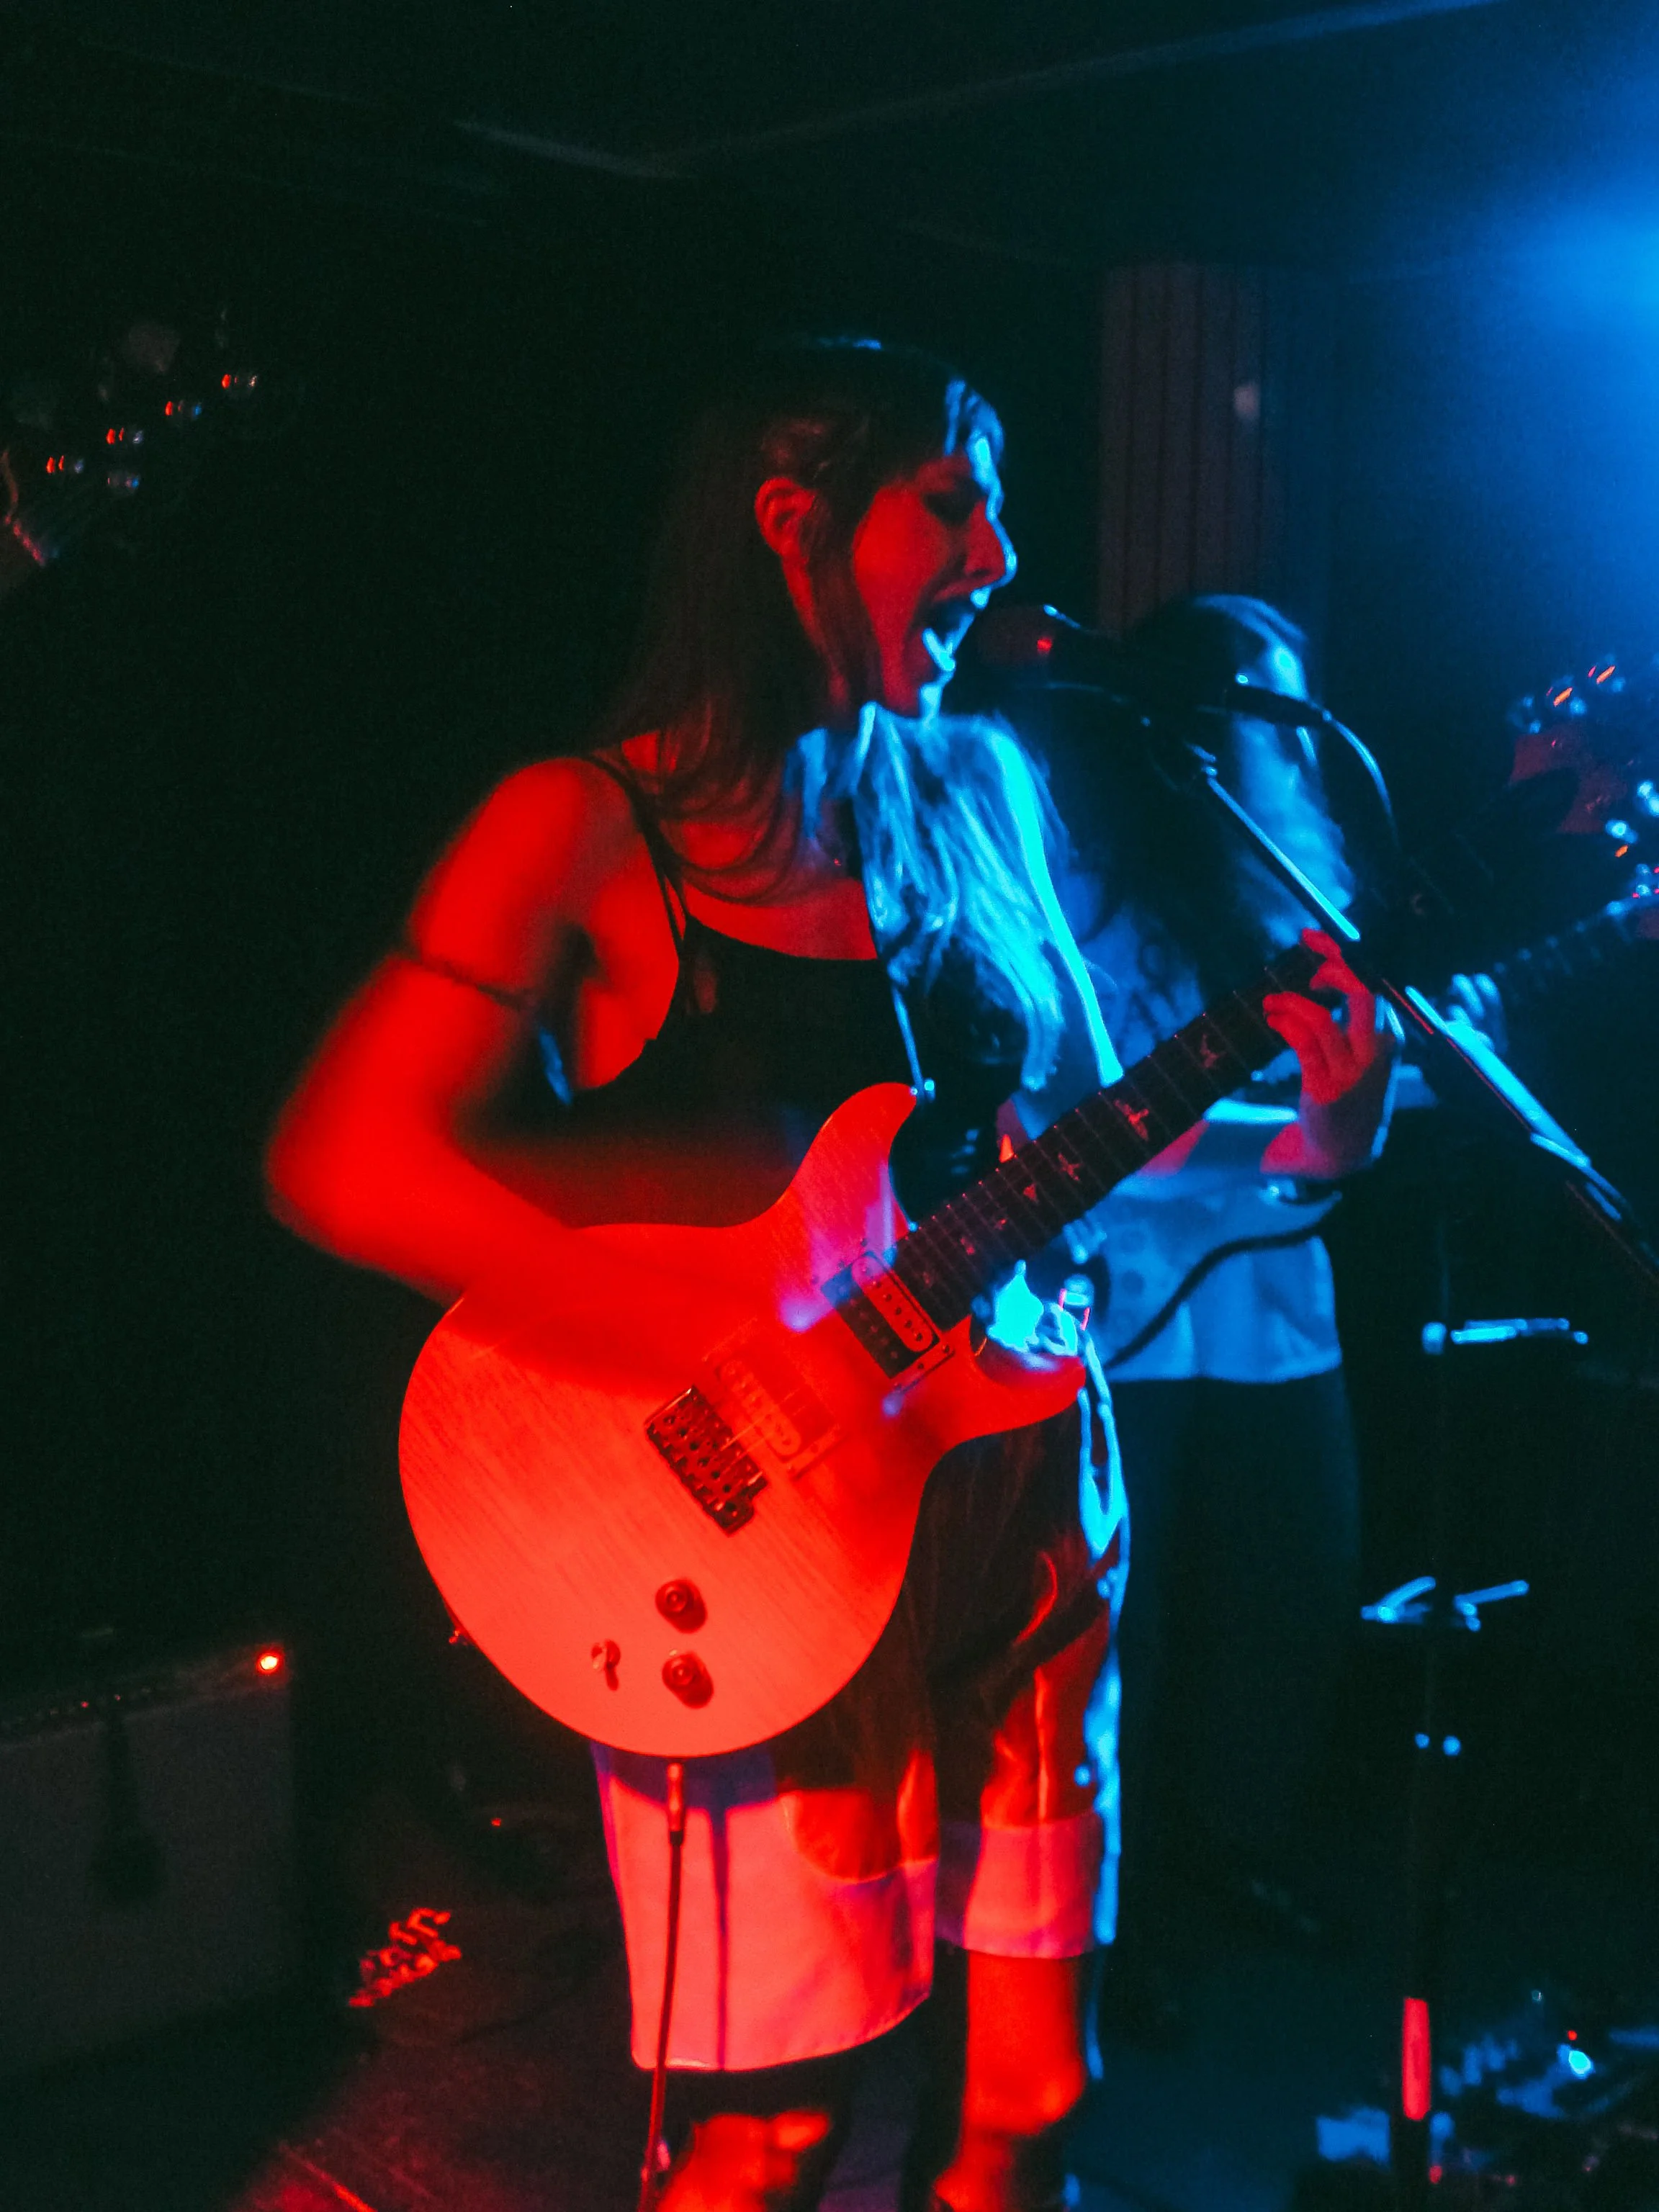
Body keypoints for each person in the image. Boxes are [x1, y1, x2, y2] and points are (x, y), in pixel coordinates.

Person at [266, 346, 1382, 2210]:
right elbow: (347, 1155)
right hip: (766, 1536)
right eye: (952, 505)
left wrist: (1316, 1135)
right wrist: (702, 1307)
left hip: (1024, 1484)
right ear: (789, 521)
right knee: (770, 2136)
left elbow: (1074, 1138)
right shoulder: (586, 824)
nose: (998, 556)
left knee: (1036, 2091)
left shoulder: (983, 793)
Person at [1041, 593, 1398, 2049]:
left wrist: (1360, 1105)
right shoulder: (1083, 870)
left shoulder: (1293, 878)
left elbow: (1337, 1091)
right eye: (1262, 706)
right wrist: (1306, 1136)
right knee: (1129, 1627)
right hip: (1125, 1311)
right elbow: (1097, 1119)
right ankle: (1114, 1920)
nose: (1288, 741)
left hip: (1273, 1309)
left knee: (1289, 1592)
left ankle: (1227, 1859)